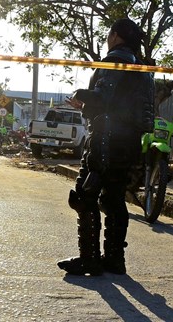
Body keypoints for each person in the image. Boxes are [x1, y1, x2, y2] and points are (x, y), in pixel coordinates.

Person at [57, 18, 155, 276]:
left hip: (105, 139)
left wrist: (80, 96)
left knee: (84, 195)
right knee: (114, 199)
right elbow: (141, 113)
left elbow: (103, 99)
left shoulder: (113, 61)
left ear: (114, 36)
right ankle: (114, 259)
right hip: (130, 142)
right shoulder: (144, 71)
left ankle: (88, 259)